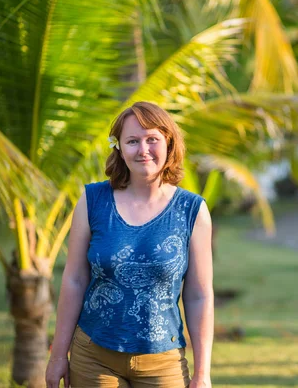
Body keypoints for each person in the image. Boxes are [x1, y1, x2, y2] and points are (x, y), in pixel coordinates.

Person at [45, 101, 214, 388]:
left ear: (169, 144)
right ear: (119, 148)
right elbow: (74, 279)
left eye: (152, 140)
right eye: (133, 141)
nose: (143, 150)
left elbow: (199, 295)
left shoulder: (192, 210)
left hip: (164, 361)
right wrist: (58, 356)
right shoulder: (92, 200)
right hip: (93, 357)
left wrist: (202, 373)